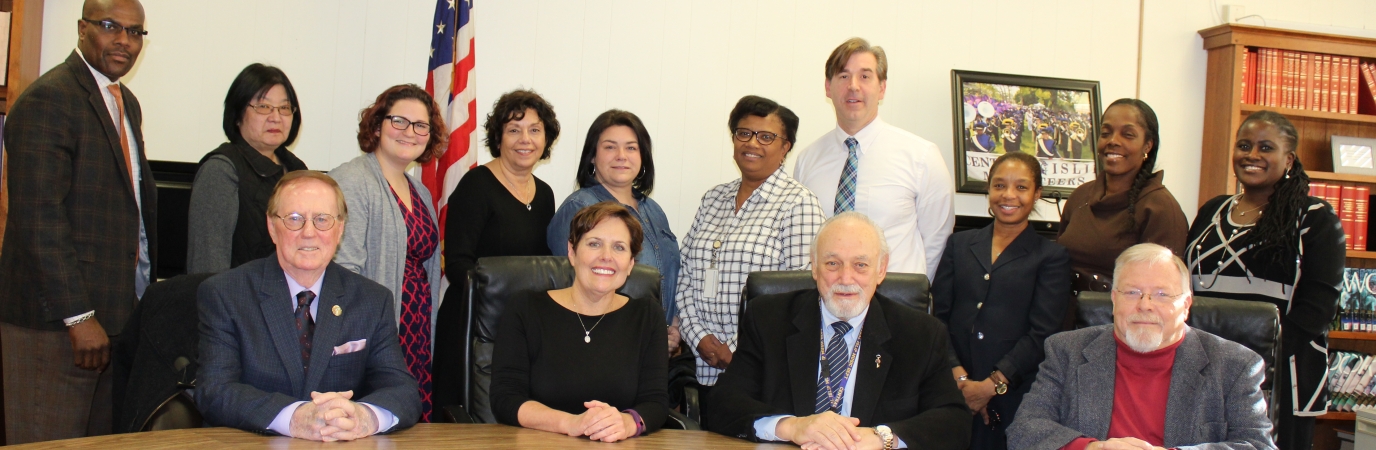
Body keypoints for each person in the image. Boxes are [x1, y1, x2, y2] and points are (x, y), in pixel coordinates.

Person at [0, 0, 154, 443]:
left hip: (111, 322)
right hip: (53, 328)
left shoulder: (125, 103)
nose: (124, 40)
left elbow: (130, 212)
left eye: (135, 32)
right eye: (110, 27)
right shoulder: (50, 99)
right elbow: (38, 219)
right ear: (83, 28)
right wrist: (79, 317)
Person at [707, 212, 970, 449]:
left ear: (881, 269)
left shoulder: (920, 333)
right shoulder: (768, 319)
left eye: (860, 265)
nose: (846, 279)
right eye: (832, 263)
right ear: (814, 265)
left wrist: (882, 437)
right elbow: (722, 404)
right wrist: (791, 427)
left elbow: (954, 423)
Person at [196, 171, 421, 440]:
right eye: (294, 219)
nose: (309, 232)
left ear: (340, 229)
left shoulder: (372, 300)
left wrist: (365, 417)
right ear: (271, 226)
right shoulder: (226, 294)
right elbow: (215, 390)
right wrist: (293, 417)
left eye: (322, 220)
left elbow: (402, 390)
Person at [1007, 244, 1275, 450]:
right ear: (1113, 299)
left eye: (1162, 294)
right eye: (1132, 292)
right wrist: (1092, 447)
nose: (1145, 305)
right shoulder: (1067, 351)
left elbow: (1257, 445)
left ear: (1186, 305)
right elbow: (1023, 431)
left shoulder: (1234, 365)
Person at [1186, 111, 1344, 450]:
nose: (1252, 155)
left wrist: (1257, 360)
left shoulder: (1315, 218)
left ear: (1288, 159)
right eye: (1244, 145)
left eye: (1265, 147)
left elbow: (1319, 306)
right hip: (1204, 368)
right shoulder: (1211, 211)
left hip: (1283, 375)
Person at [675, 95, 825, 399]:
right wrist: (698, 337)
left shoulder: (799, 204)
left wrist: (735, 348)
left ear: (785, 148)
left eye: (766, 137)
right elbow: (685, 275)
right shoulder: (713, 198)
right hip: (700, 364)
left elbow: (799, 293)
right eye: (744, 133)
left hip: (761, 366)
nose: (752, 143)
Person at [491, 201, 669, 442]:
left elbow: (655, 402)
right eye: (594, 244)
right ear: (572, 252)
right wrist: (572, 423)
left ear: (630, 264)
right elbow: (506, 398)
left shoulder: (647, 315)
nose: (606, 257)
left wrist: (627, 423)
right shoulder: (526, 309)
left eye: (619, 248)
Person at [932, 152, 1070, 450]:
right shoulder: (959, 244)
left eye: (1021, 187)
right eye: (999, 185)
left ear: (1037, 194)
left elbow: (1042, 334)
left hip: (1014, 395)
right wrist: (961, 380)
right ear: (988, 190)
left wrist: (990, 386)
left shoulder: (1051, 257)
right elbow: (939, 317)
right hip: (953, 389)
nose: (1008, 195)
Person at [433, 88, 560, 411]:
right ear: (498, 137)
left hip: (519, 325)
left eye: (534, 130)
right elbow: (458, 263)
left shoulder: (545, 194)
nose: (524, 139)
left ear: (546, 139)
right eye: (513, 130)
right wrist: (501, 296)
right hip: (472, 322)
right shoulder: (476, 186)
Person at [331, 84, 447, 423]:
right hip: (375, 336)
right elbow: (344, 273)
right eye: (399, 121)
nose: (409, 132)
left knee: (409, 423)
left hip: (416, 331)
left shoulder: (421, 191)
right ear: (378, 125)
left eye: (420, 125)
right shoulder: (352, 180)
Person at [793, 37, 955, 277]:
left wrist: (912, 296)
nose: (854, 86)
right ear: (828, 87)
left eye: (865, 76)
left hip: (895, 302)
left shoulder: (922, 157)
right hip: (825, 303)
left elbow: (937, 242)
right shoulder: (808, 160)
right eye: (844, 76)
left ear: (882, 88)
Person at [547, 110, 680, 356]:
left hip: (657, 348)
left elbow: (670, 277)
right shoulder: (579, 208)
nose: (621, 156)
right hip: (606, 347)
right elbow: (569, 285)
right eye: (610, 147)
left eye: (631, 148)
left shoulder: (654, 210)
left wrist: (674, 327)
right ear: (592, 157)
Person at [1057, 99, 1188, 318]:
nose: (1113, 141)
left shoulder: (1161, 209)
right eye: (1106, 133)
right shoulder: (1080, 196)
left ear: (1148, 145)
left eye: (1127, 135)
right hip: (1064, 320)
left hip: (1117, 328)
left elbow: (1161, 296)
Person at [186, 63, 306, 273]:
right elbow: (208, 267)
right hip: (239, 301)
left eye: (284, 108)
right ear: (238, 113)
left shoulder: (297, 170)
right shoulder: (221, 170)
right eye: (263, 107)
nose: (276, 117)